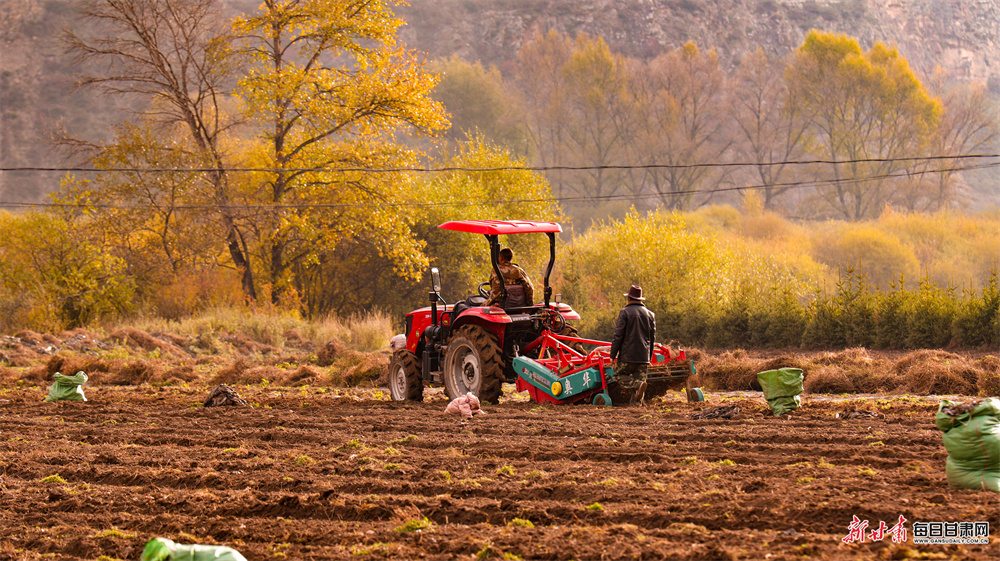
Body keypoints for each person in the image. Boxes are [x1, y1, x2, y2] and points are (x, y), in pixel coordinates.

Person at [609, 285, 655, 406]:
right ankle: (634, 409)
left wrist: (612, 355)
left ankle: (637, 384)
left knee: (618, 375)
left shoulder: (625, 312)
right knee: (640, 384)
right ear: (640, 299)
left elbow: (618, 335)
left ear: (629, 298)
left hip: (628, 356)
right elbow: (652, 338)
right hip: (644, 356)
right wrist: (649, 357)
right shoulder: (650, 315)